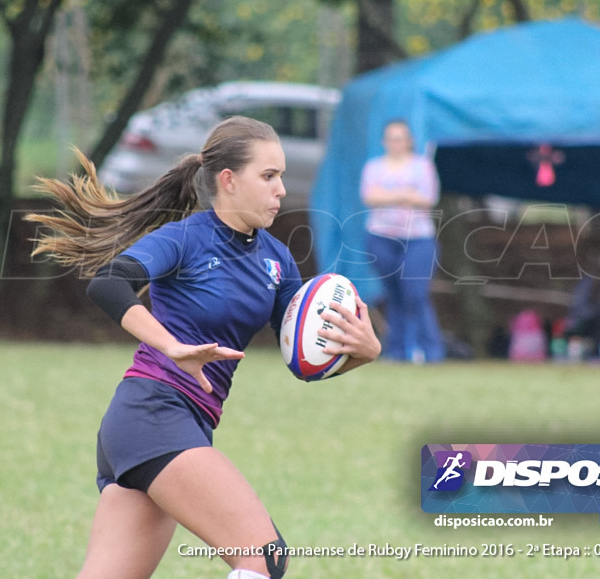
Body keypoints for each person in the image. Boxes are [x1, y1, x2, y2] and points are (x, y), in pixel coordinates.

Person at [27, 116, 382, 579]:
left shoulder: (276, 258)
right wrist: (172, 346)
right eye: (269, 176)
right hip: (152, 413)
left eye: (281, 176)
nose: (281, 189)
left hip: (179, 425)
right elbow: (109, 283)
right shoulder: (187, 239)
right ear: (228, 180)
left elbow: (300, 357)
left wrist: (362, 350)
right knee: (263, 557)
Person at [359, 119, 445, 363]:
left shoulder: (422, 166)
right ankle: (396, 350)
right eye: (391, 138)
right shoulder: (374, 166)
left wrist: (388, 196)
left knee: (415, 293)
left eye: (401, 138)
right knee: (394, 294)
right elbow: (369, 196)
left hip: (418, 238)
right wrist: (405, 194)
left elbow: (427, 197)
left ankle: (430, 349)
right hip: (381, 237)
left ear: (409, 141)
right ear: (384, 142)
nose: (396, 143)